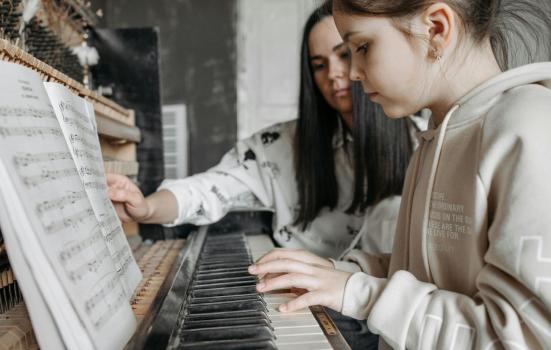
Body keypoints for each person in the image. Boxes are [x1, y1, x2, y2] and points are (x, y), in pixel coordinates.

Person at [249, 0, 551, 349]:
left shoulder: (528, 127)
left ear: (436, 29)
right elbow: (432, 272)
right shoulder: (435, 137)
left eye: (361, 47)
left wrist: (358, 292)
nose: (352, 73)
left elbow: (524, 337)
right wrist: (336, 272)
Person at [106, 6, 412, 260]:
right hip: (309, 307)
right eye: (318, 65)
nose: (333, 74)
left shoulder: (424, 139)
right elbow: (209, 189)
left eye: (345, 55)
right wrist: (146, 208)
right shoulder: (281, 145)